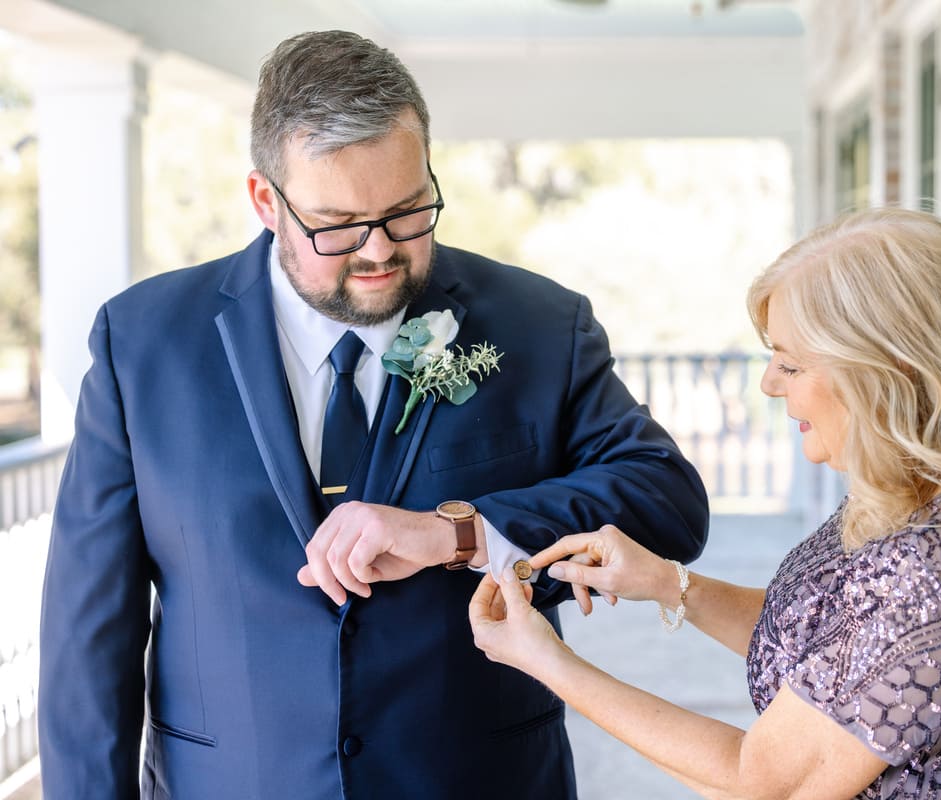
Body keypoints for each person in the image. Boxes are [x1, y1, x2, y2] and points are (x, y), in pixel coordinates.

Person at [38, 29, 708, 800]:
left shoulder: (539, 326)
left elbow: (666, 500)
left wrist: (458, 533)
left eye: (407, 212)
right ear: (267, 201)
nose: (379, 251)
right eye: (337, 225)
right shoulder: (143, 344)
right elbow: (90, 640)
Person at [471, 207, 941, 799]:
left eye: (790, 363)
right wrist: (669, 584)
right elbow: (843, 651)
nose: (768, 383)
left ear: (884, 373)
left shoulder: (936, 570)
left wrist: (549, 662)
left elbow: (759, 782)